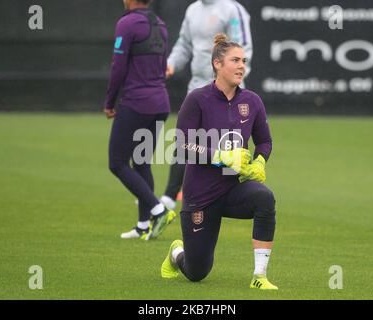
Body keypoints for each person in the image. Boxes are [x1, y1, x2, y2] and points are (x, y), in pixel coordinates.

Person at [160, 34, 278, 290]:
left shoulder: (252, 101)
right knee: (197, 272)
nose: (241, 66)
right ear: (217, 64)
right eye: (235, 60)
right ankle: (177, 253)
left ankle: (259, 276)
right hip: (201, 195)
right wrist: (220, 156)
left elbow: (265, 142)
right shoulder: (197, 99)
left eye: (243, 61)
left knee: (265, 199)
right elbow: (182, 145)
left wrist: (259, 162)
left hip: (234, 189)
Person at [160, 0, 253, 211]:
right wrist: (172, 64)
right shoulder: (193, 10)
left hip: (226, 90)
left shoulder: (231, 9)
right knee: (186, 140)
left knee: (228, 143)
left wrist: (232, 81)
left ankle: (230, 195)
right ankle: (168, 198)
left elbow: (244, 48)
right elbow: (184, 44)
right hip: (197, 86)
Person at [104, 0, 176, 240]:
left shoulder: (127, 23)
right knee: (142, 163)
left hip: (136, 104)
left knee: (117, 163)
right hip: (160, 104)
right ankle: (143, 226)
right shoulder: (161, 24)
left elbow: (118, 67)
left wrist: (109, 102)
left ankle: (158, 210)